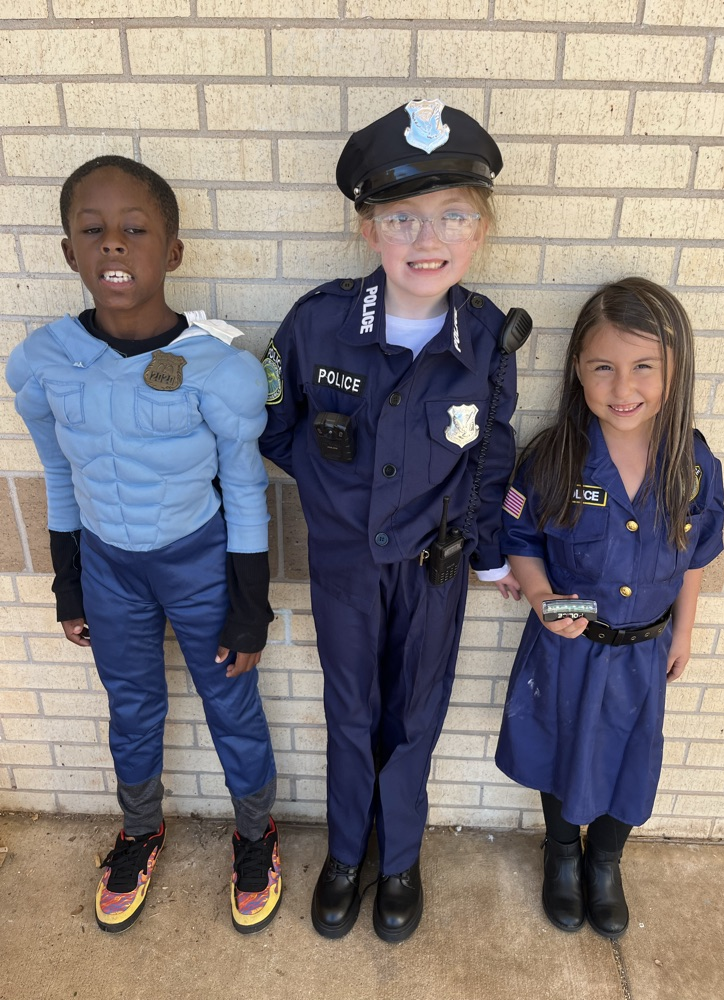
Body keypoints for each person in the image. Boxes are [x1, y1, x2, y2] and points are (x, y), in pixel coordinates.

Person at [260, 99, 522, 943]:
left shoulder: (484, 336)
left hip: (433, 572)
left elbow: (492, 449)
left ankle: (399, 857)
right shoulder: (318, 323)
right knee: (348, 709)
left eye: (452, 214)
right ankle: (346, 854)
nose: (425, 237)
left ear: (480, 230)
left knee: (416, 712)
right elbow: (274, 419)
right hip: (344, 568)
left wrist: (486, 553)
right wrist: (334, 500)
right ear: (368, 230)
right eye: (401, 217)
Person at [7, 155, 282, 935]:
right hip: (108, 567)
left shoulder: (218, 371)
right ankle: (138, 830)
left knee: (232, 704)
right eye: (93, 232)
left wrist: (248, 609)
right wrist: (70, 587)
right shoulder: (44, 364)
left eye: (135, 230)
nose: (115, 248)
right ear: (68, 252)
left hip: (198, 562)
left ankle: (257, 836)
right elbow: (60, 480)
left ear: (173, 251)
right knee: (131, 708)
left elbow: (247, 491)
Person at [495, 277, 724, 939]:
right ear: (578, 371)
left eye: (644, 367)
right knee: (562, 752)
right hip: (569, 648)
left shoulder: (695, 466)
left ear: (673, 371)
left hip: (644, 653)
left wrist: (684, 630)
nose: (624, 388)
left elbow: (695, 555)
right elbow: (520, 538)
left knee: (632, 756)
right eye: (604, 368)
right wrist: (539, 595)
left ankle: (605, 861)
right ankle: (562, 855)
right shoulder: (552, 459)